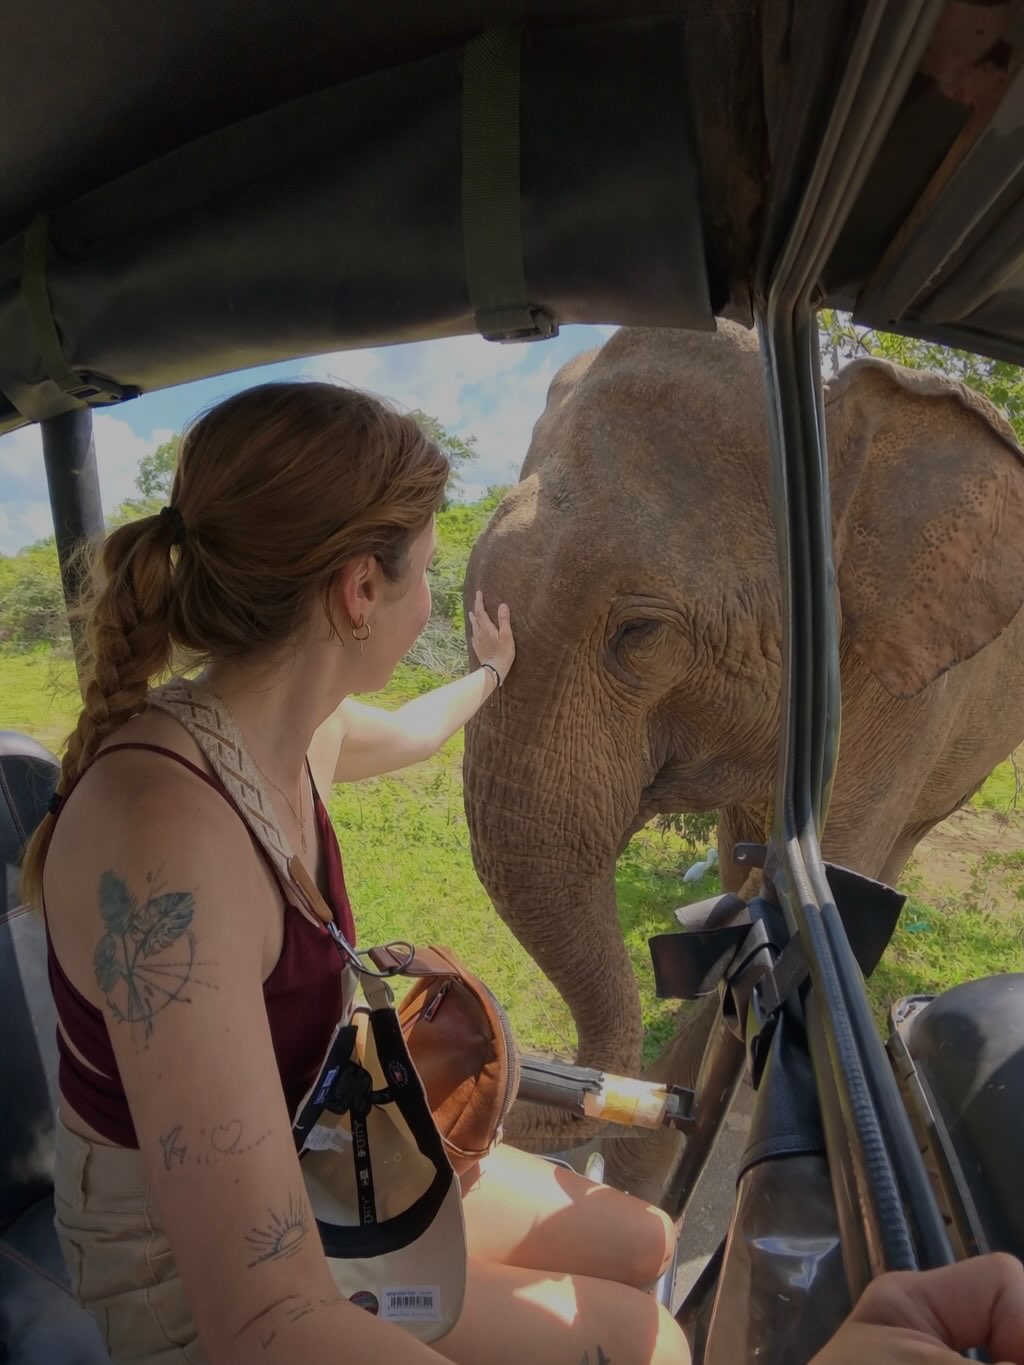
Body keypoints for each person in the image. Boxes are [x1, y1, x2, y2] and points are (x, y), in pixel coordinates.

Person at [22, 379, 1024, 1365]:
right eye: (427, 570)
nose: (431, 597)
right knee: (648, 1343)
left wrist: (495, 673)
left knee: (645, 1241)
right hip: (207, 1279)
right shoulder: (167, 845)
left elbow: (412, 728)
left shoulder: (283, 730)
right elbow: (266, 1327)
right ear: (358, 592)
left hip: (329, 1158)